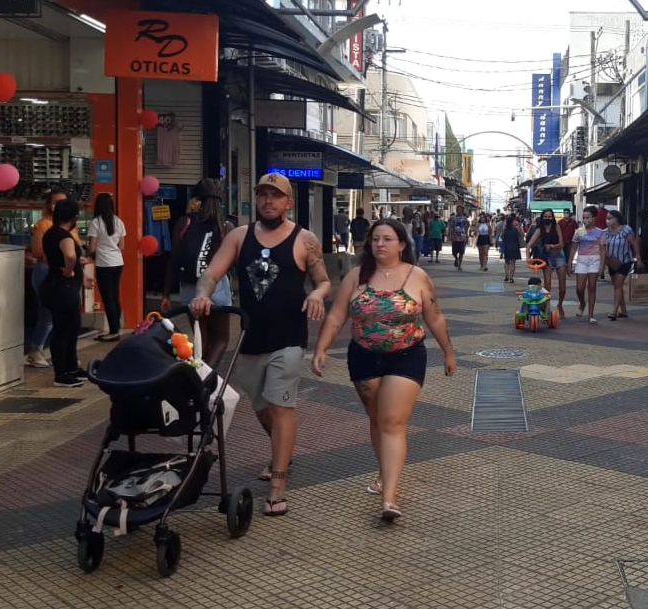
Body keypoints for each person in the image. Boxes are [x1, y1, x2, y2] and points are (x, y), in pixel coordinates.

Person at [190, 173, 331, 517]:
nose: (268, 201)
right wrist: (201, 295)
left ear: (288, 202)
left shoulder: (305, 239)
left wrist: (316, 293)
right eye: (263, 195)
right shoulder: (239, 236)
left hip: (289, 339)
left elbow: (324, 281)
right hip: (250, 339)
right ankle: (283, 449)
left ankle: (277, 485)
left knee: (283, 407)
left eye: (276, 196)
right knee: (261, 405)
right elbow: (212, 272)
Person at [311, 218, 456, 522]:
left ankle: (389, 497)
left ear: (402, 244)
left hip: (406, 356)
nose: (380, 244)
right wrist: (321, 349)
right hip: (363, 357)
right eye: (375, 239)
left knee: (392, 422)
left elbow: (436, 317)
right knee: (377, 420)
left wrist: (448, 353)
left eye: (387, 239)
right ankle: (384, 469)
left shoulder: (417, 277)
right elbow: (337, 316)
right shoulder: (355, 276)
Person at [161, 178, 234, 367]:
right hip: (217, 288)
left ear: (195, 198)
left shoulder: (185, 222)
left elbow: (174, 259)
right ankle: (205, 380)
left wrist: (166, 293)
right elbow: (232, 263)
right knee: (221, 339)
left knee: (200, 340)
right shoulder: (226, 226)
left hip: (189, 289)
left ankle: (199, 375)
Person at [39, 198, 92, 387]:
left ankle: (71, 368)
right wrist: (70, 270)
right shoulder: (64, 236)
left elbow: (48, 259)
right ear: (75, 217)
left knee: (70, 329)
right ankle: (61, 374)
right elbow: (69, 255)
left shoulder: (50, 234)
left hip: (55, 286)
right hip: (63, 289)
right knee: (64, 331)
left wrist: (78, 269)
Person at [25, 190, 69, 368]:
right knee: (49, 314)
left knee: (56, 315)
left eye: (64, 202)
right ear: (49, 205)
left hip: (62, 274)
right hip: (46, 272)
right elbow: (37, 251)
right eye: (57, 202)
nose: (60, 206)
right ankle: (36, 350)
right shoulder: (43, 225)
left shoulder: (67, 226)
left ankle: (61, 354)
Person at [87, 193, 126, 341]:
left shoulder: (96, 222)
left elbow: (91, 247)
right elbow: (122, 246)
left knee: (107, 297)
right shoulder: (119, 222)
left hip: (104, 264)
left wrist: (93, 252)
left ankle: (113, 331)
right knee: (115, 296)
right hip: (118, 262)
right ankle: (116, 328)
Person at [603, 210, 643, 321]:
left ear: (616, 218)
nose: (608, 220)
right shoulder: (606, 232)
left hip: (625, 261)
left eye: (610, 218)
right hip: (611, 262)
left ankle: (614, 311)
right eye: (607, 218)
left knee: (617, 285)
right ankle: (623, 311)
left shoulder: (626, 230)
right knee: (617, 286)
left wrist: (638, 259)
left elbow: (634, 243)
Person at [525, 209, 567, 317]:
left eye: (549, 216)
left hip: (559, 256)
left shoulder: (556, 227)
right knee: (547, 285)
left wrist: (552, 246)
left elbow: (562, 243)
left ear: (553, 218)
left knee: (562, 286)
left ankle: (560, 304)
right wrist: (528, 258)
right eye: (545, 216)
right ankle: (547, 308)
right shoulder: (540, 230)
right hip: (547, 258)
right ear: (542, 218)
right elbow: (529, 244)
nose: (547, 218)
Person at [570, 205, 606, 323]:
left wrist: (602, 265)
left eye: (588, 217)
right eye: (584, 217)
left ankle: (591, 314)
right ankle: (582, 303)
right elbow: (574, 248)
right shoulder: (578, 232)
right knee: (580, 288)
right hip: (582, 259)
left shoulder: (600, 232)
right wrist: (569, 262)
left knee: (592, 286)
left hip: (595, 259)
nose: (585, 219)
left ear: (594, 218)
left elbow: (602, 249)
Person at [502, 213, 523, 283]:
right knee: (513, 263)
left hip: (507, 246)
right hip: (515, 246)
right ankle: (511, 277)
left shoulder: (505, 229)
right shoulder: (516, 229)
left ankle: (506, 275)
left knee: (506, 262)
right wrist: (519, 226)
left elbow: (502, 237)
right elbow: (522, 235)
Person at [450, 205, 470, 270]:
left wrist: (467, 236)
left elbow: (466, 228)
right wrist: (450, 235)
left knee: (461, 252)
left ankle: (459, 265)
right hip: (455, 237)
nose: (459, 211)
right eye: (458, 209)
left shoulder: (465, 219)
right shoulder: (453, 218)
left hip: (462, 237)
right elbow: (451, 227)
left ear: (462, 210)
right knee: (454, 252)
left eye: (460, 209)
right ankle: (456, 258)